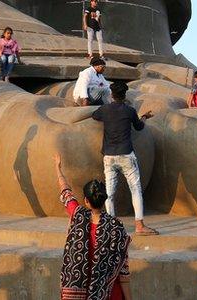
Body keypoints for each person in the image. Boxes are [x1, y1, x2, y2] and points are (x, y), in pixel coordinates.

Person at [55, 154, 131, 300]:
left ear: (86, 201)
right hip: (107, 293)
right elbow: (123, 272)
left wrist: (57, 168)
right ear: (104, 201)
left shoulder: (78, 215)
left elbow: (66, 192)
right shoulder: (116, 227)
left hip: (76, 294)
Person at [91, 82, 158, 235]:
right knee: (135, 190)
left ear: (111, 95)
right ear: (125, 95)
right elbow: (139, 127)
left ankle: (110, 227)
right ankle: (140, 226)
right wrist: (144, 117)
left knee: (109, 192)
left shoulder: (105, 109)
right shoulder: (129, 110)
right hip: (126, 154)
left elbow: (95, 115)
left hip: (109, 156)